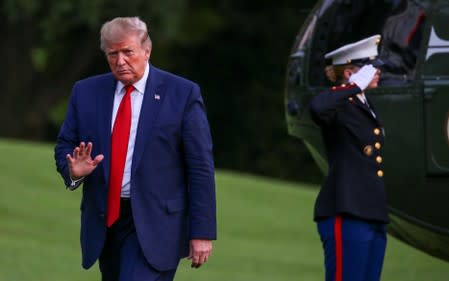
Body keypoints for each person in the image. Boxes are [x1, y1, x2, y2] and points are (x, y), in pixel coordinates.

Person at [54, 17, 216, 281]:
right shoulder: (86, 92)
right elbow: (65, 145)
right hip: (106, 222)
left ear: (146, 50)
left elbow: (200, 167)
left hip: (157, 225)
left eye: (128, 52)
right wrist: (74, 171)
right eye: (112, 54)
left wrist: (202, 232)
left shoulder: (182, 94)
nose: (120, 61)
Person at [309, 35, 389, 281]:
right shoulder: (341, 104)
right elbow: (317, 107)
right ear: (349, 73)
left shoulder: (364, 104)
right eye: (369, 68)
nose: (377, 73)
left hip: (371, 211)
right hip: (346, 208)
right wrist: (352, 87)